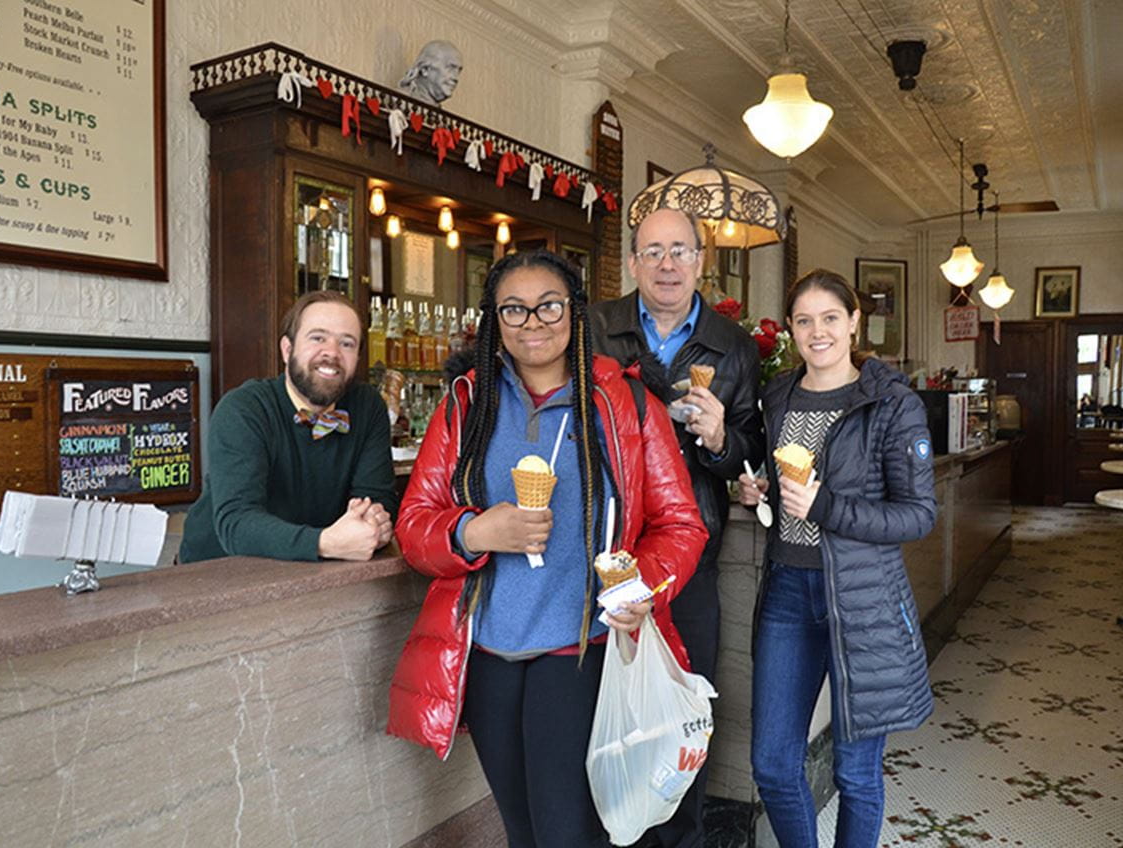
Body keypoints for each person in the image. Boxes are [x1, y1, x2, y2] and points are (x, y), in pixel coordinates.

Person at [387, 250, 707, 848]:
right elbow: (415, 525)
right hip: (487, 653)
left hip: (580, 648)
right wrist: (474, 533)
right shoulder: (465, 405)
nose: (532, 322)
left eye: (549, 305)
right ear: (495, 320)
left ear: (575, 313)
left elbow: (680, 524)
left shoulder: (628, 403)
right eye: (514, 308)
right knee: (523, 832)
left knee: (568, 834)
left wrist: (643, 585)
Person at [738, 269, 936, 847]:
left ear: (854, 322)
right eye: (804, 320)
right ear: (793, 330)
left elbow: (918, 515)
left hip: (863, 599)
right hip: (787, 594)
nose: (816, 331)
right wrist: (759, 494)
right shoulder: (777, 397)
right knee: (773, 764)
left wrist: (825, 504)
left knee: (855, 774)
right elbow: (780, 488)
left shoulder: (892, 405)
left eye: (830, 318)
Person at [590, 206, 763, 848]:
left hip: (689, 556)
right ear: (632, 262)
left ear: (700, 262)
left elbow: (751, 451)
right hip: (602, 551)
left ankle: (680, 839)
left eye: (680, 251)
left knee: (684, 706)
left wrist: (720, 439)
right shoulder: (593, 329)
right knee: (599, 709)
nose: (667, 264)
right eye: (653, 251)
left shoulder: (734, 345)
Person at [178, 291, 396, 563]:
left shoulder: (368, 407)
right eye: (318, 338)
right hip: (216, 573)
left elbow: (376, 497)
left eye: (347, 343)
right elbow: (236, 523)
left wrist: (374, 522)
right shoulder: (244, 409)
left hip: (311, 571)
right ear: (287, 349)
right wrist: (324, 542)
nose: (332, 352)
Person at [398, 40, 463, 106]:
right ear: (425, 69)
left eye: (458, 71)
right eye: (451, 68)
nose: (456, 78)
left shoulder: (440, 115)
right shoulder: (399, 102)